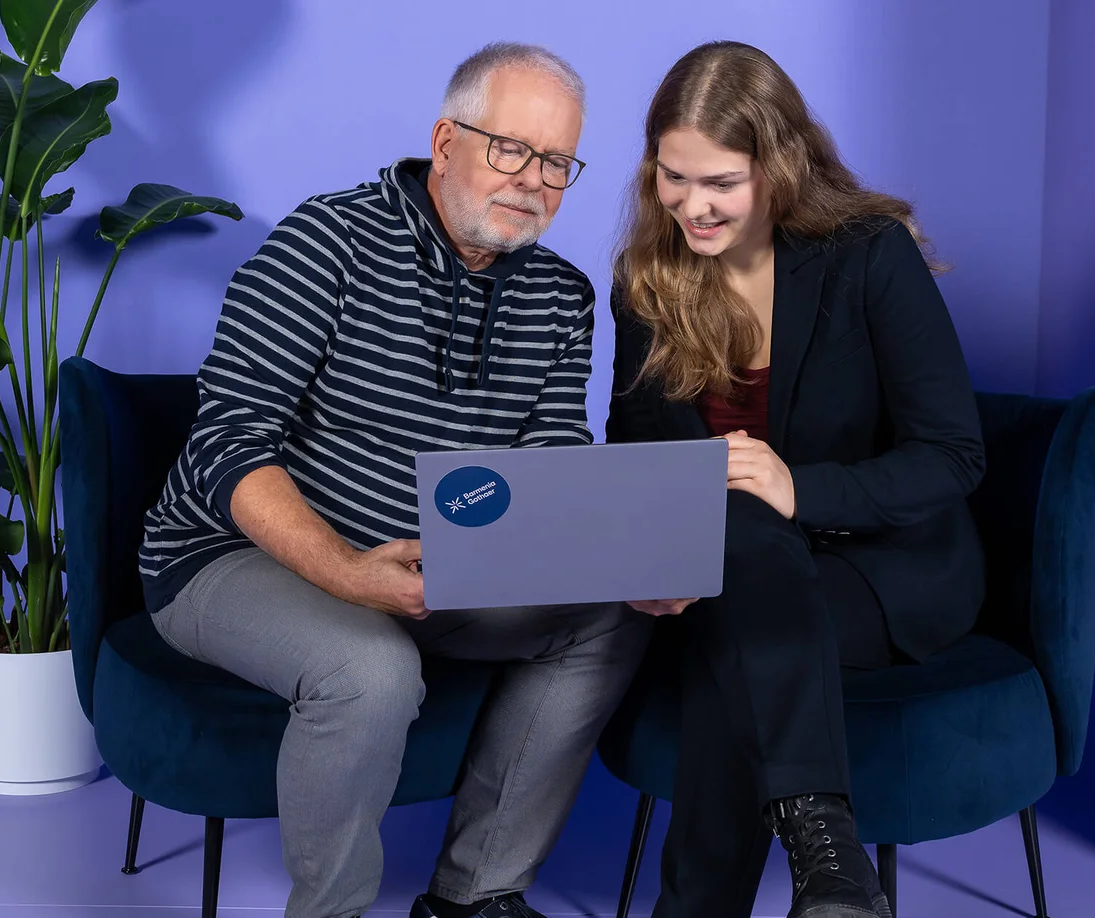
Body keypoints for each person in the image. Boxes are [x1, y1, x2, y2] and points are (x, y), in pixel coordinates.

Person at [139, 41, 652, 918]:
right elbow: (227, 444)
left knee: (613, 615)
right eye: (510, 149)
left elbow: (551, 462)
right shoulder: (325, 241)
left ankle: (475, 895)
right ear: (446, 142)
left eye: (558, 162)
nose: (533, 180)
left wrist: (614, 554)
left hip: (442, 571)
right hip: (233, 556)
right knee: (369, 670)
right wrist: (344, 571)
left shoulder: (562, 295)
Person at [606, 41, 986, 918]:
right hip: (720, 571)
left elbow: (953, 454)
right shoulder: (644, 280)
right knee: (735, 554)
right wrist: (646, 558)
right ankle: (833, 871)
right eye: (672, 176)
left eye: (721, 184)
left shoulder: (868, 255)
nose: (691, 206)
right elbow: (636, 452)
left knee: (732, 634)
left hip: (880, 568)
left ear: (776, 168)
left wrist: (799, 489)